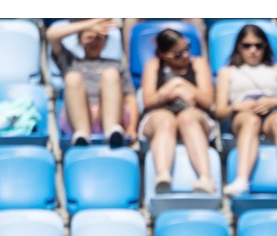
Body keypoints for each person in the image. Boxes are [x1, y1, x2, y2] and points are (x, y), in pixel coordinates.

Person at [215, 24, 277, 198]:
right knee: (250, 121)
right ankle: (241, 179)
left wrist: (273, 101)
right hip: (242, 114)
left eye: (258, 45)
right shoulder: (227, 72)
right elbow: (220, 111)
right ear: (239, 47)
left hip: (273, 112)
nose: (253, 50)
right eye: (247, 46)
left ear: (265, 47)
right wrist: (238, 106)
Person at [139, 28, 218, 194]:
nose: (185, 56)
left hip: (194, 115)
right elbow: (149, 101)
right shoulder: (153, 66)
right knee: (165, 119)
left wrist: (181, 84)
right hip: (159, 115)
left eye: (186, 49)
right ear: (163, 55)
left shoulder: (198, 63)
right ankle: (163, 176)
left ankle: (205, 178)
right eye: (177, 54)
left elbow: (207, 101)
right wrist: (172, 88)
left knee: (186, 118)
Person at [47, 18, 138, 147]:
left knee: (110, 75)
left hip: (111, 115)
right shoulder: (70, 62)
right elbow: (51, 35)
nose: (94, 43)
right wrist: (92, 23)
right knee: (72, 77)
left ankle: (112, 131)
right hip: (78, 117)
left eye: (98, 38)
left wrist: (132, 127)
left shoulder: (116, 65)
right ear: (80, 39)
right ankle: (82, 134)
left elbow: (130, 97)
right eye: (89, 37)